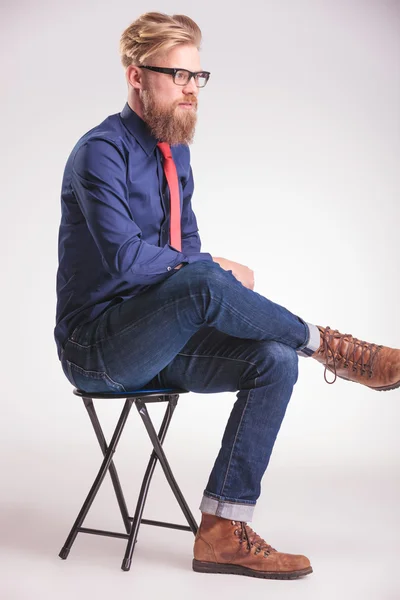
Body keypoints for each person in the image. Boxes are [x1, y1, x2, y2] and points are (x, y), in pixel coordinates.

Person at [54, 11, 400, 580]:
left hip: (161, 341)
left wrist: (202, 271)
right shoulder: (100, 152)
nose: (192, 89)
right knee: (207, 275)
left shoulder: (176, 154)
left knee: (273, 359)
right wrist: (208, 270)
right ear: (135, 76)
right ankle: (332, 347)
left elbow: (183, 251)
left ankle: (221, 530)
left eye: (198, 77)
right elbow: (128, 258)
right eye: (177, 75)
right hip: (97, 349)